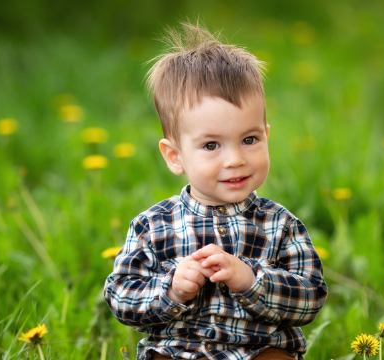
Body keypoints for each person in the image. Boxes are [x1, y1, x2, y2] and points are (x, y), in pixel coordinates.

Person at [104, 22, 327, 360]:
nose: (235, 160)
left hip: (257, 349)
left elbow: (311, 297)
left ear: (267, 135)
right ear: (175, 156)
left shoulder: (281, 224)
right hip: (179, 350)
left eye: (249, 140)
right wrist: (173, 290)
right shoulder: (152, 226)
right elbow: (121, 296)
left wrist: (252, 281)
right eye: (211, 145)